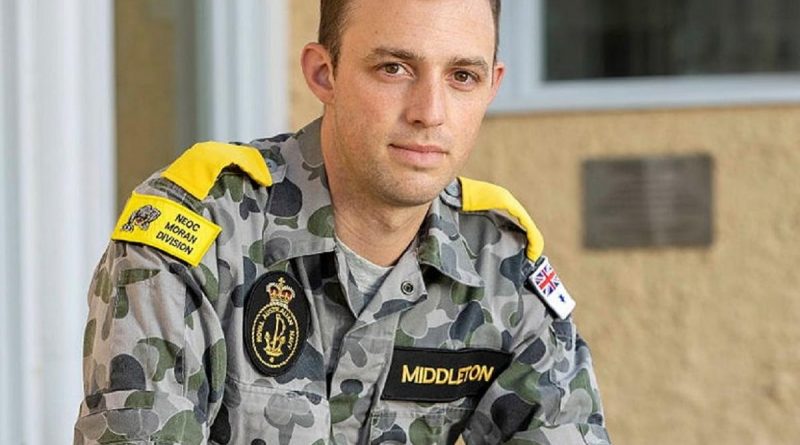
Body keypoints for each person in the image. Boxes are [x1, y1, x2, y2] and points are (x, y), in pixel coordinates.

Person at [74, 0, 612, 444]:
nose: (430, 110)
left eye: (462, 76)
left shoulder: (502, 266)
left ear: (492, 86)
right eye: (393, 68)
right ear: (322, 73)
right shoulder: (197, 236)